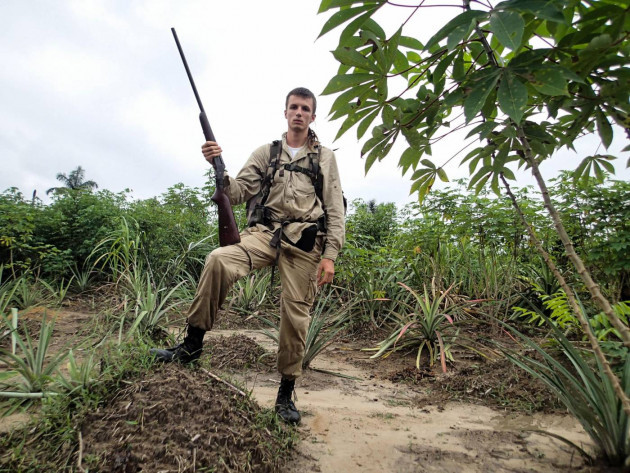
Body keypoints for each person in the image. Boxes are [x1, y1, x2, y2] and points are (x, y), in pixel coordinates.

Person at [151, 87, 345, 424]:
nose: (298, 113)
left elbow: (334, 209)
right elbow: (238, 192)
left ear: (313, 116)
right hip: (265, 235)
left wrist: (330, 256)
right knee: (217, 259)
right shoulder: (266, 152)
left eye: (305, 109)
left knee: (295, 315)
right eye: (293, 107)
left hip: (304, 242)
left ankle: (285, 394)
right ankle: (191, 345)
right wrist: (218, 169)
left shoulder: (324, 158)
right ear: (285, 112)